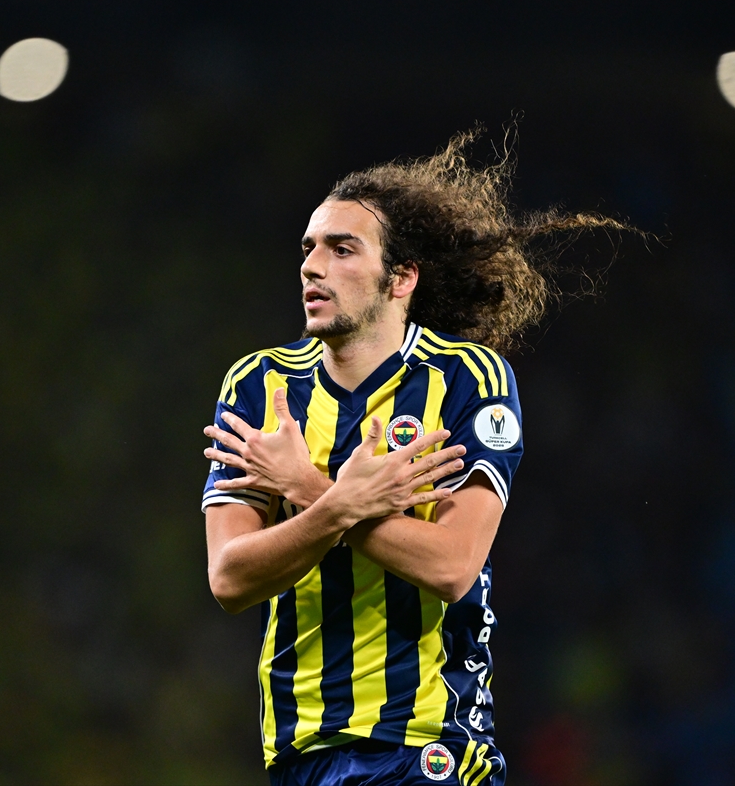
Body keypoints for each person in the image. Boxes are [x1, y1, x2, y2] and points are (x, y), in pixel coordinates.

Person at [200, 130, 625, 785]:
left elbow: (452, 565)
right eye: (309, 248)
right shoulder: (260, 385)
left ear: (401, 278)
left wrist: (309, 489)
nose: (313, 265)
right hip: (301, 748)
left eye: (342, 249)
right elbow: (229, 578)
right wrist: (342, 503)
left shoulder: (466, 379)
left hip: (428, 746)